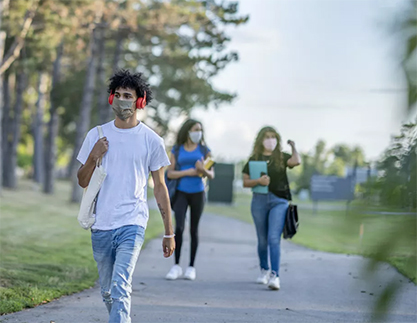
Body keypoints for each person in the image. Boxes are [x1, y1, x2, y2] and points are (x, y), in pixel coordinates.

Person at [76, 69, 175, 323]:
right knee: (108, 292)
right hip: (101, 226)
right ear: (111, 99)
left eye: (127, 95)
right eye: (117, 95)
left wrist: (168, 232)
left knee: (121, 287)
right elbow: (82, 180)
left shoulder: (152, 140)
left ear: (139, 101)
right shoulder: (96, 135)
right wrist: (93, 156)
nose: (121, 100)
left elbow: (160, 186)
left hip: (132, 223)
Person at [242, 126, 301, 290]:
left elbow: (296, 161)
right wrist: (258, 182)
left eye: (273, 137)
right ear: (261, 140)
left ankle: (275, 275)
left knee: (274, 238)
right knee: (262, 240)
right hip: (259, 200)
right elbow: (245, 182)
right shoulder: (254, 158)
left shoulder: (282, 158)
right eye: (267, 137)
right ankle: (264, 270)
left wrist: (294, 147)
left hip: (279, 201)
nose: (270, 140)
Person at [165, 119, 214, 281]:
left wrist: (202, 171)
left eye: (200, 129)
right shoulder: (177, 150)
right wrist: (190, 172)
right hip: (180, 192)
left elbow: (211, 174)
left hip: (198, 193)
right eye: (195, 129)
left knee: (194, 229)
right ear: (187, 131)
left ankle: (191, 267)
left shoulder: (204, 149)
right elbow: (170, 173)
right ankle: (176, 266)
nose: (198, 132)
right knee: (178, 227)